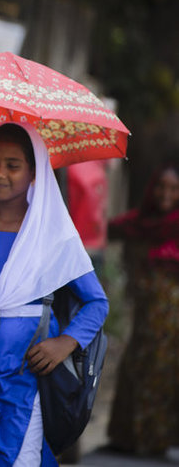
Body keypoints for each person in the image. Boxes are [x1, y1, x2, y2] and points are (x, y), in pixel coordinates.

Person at [0, 123, 109, 467]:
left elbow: (96, 302)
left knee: (17, 456)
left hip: (26, 370)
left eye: (13, 165)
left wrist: (66, 342)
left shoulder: (50, 233)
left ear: (34, 173)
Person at [106, 161, 179, 456]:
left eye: (174, 189)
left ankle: (155, 440)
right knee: (137, 366)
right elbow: (110, 229)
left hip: (172, 317)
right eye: (161, 187)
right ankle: (129, 437)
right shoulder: (139, 223)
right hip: (144, 314)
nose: (166, 194)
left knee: (162, 370)